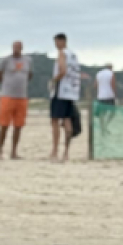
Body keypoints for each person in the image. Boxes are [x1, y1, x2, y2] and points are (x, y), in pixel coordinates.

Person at [0, 42, 33, 160]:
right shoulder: (5, 60)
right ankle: (0, 150)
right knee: (4, 124)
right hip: (7, 96)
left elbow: (30, 75)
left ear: (22, 48)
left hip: (22, 97)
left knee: (18, 125)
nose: (16, 49)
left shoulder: (28, 60)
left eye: (19, 47)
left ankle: (14, 151)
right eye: (15, 47)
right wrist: (5, 83)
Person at [50, 33, 81, 163]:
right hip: (71, 92)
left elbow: (62, 71)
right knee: (67, 120)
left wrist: (53, 80)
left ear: (61, 41)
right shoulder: (73, 55)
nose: (56, 45)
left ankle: (55, 150)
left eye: (56, 42)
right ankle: (66, 152)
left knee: (55, 121)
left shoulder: (62, 53)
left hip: (61, 90)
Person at [94, 63, 118, 136]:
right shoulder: (111, 73)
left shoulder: (98, 74)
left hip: (101, 97)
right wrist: (115, 95)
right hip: (110, 96)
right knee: (113, 113)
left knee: (102, 114)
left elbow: (95, 85)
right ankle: (106, 125)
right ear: (110, 67)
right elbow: (113, 85)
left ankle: (102, 131)